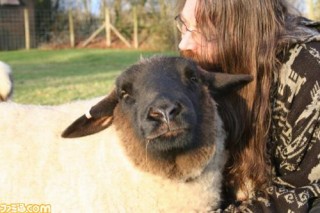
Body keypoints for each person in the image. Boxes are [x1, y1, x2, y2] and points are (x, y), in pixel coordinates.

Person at [175, 0, 320, 212]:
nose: (184, 44)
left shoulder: (308, 71)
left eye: (205, 32)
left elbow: (305, 193)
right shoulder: (203, 69)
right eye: (185, 24)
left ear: (243, 33)